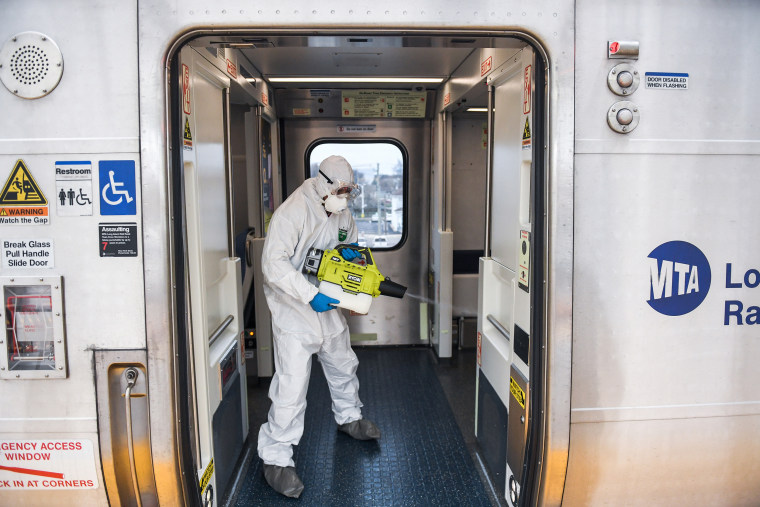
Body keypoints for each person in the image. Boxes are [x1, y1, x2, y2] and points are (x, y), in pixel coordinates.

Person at [258, 155, 381, 498]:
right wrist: (309, 295)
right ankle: (276, 457)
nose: (345, 196)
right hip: (294, 310)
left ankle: (349, 418)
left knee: (343, 363)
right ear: (323, 183)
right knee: (292, 386)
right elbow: (273, 266)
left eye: (349, 191)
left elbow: (350, 246)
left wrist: (354, 267)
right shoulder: (293, 212)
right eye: (341, 190)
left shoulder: (341, 212)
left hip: (328, 304)